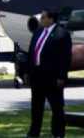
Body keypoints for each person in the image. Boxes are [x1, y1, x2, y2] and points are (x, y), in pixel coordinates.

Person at [24, 8, 72, 138]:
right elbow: (31, 52)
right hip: (37, 75)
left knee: (56, 106)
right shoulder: (38, 33)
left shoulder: (61, 34)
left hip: (52, 76)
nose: (41, 19)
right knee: (36, 106)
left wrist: (62, 76)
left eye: (44, 17)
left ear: (51, 19)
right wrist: (27, 71)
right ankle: (34, 132)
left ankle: (58, 133)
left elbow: (65, 58)